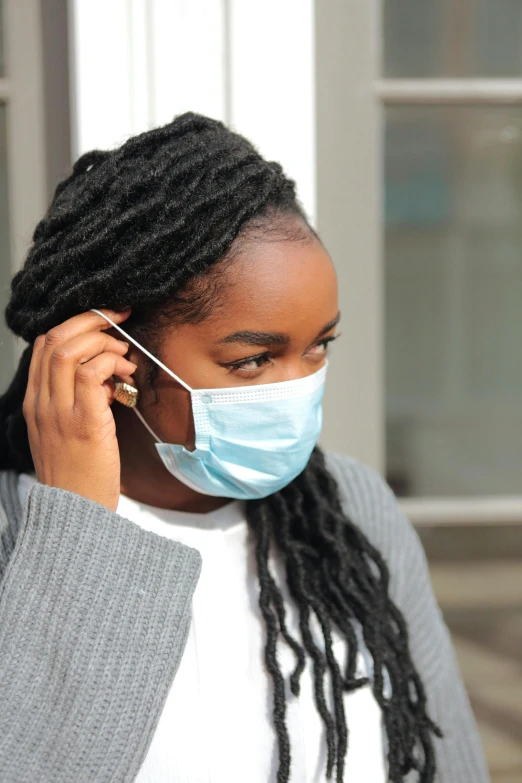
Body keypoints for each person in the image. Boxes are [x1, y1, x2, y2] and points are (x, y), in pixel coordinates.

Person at [0, 113, 489, 783]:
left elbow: (448, 763)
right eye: (254, 360)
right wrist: (81, 529)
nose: (299, 387)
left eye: (319, 344)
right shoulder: (15, 534)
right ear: (116, 358)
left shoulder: (350, 510)